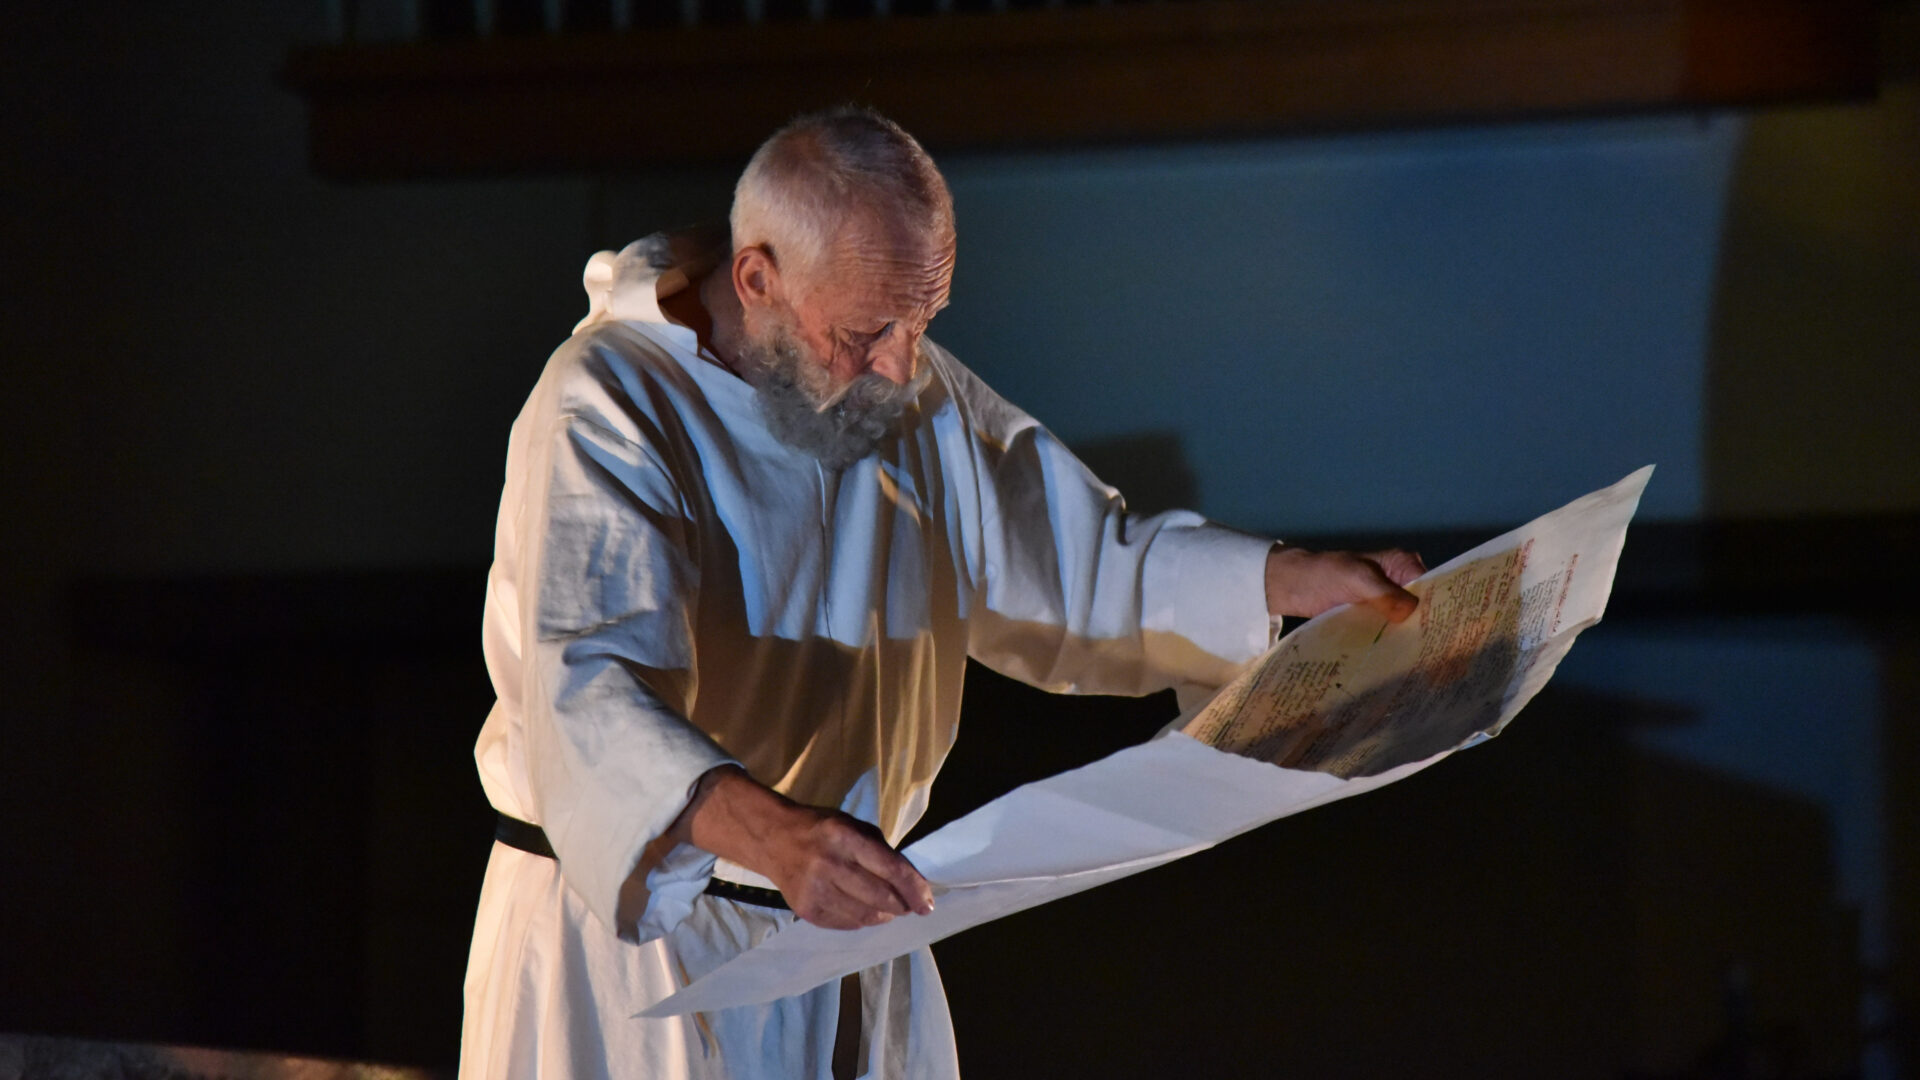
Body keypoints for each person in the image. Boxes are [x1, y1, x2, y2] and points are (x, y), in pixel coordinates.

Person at [459, 107, 1424, 1080]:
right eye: (868, 330)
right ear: (757, 278)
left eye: (923, 323)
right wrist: (772, 835)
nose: (903, 367)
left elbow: (1079, 564)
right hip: (640, 954)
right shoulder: (609, 403)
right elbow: (587, 682)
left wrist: (1294, 582)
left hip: (848, 925)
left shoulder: (899, 383)